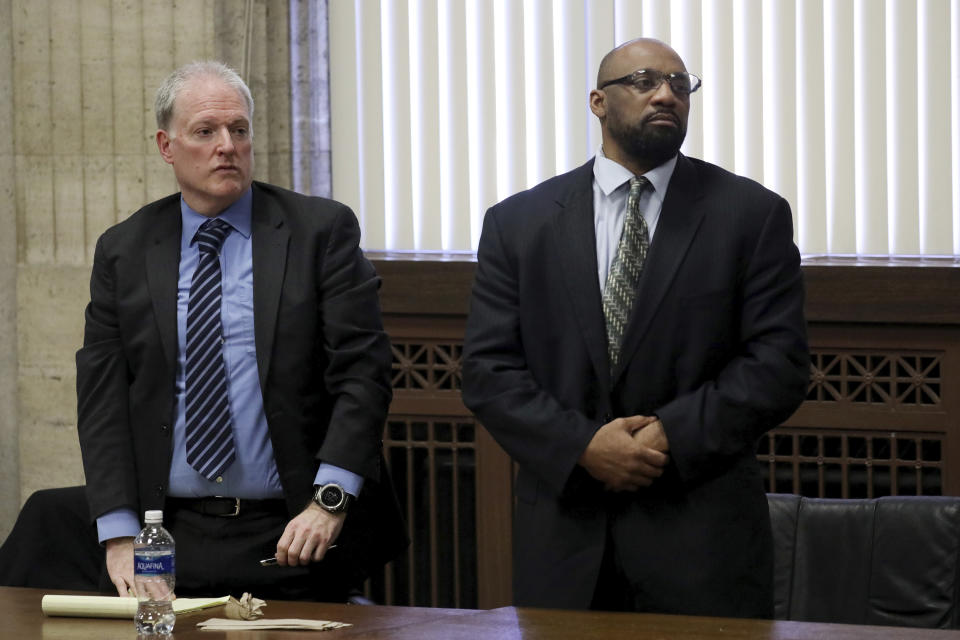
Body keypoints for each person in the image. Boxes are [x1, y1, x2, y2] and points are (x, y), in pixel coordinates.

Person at [461, 38, 809, 617]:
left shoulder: (750, 215)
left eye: (680, 84)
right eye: (645, 81)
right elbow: (489, 373)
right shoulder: (518, 224)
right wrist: (583, 446)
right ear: (598, 102)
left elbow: (778, 365)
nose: (666, 94)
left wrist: (666, 435)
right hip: (565, 540)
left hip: (700, 539)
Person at [75, 61, 406, 602]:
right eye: (206, 132)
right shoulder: (125, 249)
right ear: (167, 145)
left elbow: (364, 375)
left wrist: (330, 500)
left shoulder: (318, 231)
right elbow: (102, 398)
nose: (227, 145)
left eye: (240, 130)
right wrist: (118, 534)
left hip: (298, 528)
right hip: (169, 533)